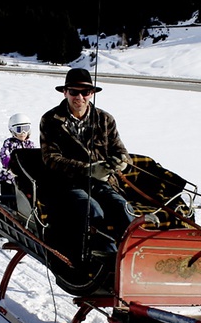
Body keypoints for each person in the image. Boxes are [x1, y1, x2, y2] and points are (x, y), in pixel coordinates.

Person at [40, 68, 140, 261]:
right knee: (91, 208)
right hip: (67, 184)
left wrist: (120, 163)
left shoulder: (105, 119)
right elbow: (50, 158)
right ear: (65, 92)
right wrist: (88, 169)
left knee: (123, 207)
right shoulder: (51, 120)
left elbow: (122, 153)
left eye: (85, 92)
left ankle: (135, 256)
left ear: (91, 93)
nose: (80, 97)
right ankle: (108, 259)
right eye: (74, 92)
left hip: (102, 183)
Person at [0, 113, 35, 208]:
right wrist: (9, 166)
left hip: (24, 179)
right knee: (9, 199)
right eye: (19, 129)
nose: (23, 133)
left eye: (26, 128)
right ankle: (7, 212)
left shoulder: (30, 144)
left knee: (25, 200)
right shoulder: (9, 143)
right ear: (12, 130)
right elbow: (4, 155)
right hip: (9, 178)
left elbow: (34, 157)